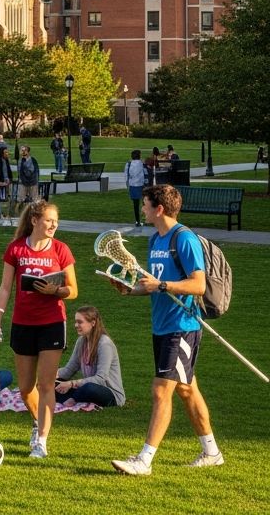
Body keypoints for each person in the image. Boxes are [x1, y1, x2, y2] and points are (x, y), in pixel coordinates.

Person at [110, 184, 223, 475]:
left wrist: (161, 285)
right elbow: (153, 285)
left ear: (159, 208)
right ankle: (211, 451)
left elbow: (198, 284)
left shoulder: (183, 239)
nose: (143, 209)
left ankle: (144, 461)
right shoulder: (154, 240)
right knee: (186, 389)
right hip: (161, 325)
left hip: (182, 326)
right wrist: (129, 290)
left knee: (161, 391)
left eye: (146, 204)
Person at [0, 199, 78, 460]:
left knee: (46, 384)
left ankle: (41, 441)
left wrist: (56, 290)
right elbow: (6, 287)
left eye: (56, 221)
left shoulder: (61, 250)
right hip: (23, 323)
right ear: (35, 221)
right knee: (27, 387)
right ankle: (37, 422)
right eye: (49, 220)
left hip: (52, 322)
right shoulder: (16, 249)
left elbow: (73, 291)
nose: (53, 225)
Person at [56, 306, 125, 408]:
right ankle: (75, 397)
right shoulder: (81, 341)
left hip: (109, 393)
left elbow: (101, 378)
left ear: (93, 323)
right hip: (85, 388)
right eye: (76, 322)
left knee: (89, 388)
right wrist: (50, 376)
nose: (76, 325)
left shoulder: (105, 344)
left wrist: (71, 384)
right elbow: (69, 369)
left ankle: (74, 398)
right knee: (52, 386)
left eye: (80, 322)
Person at [125, 149, 148, 226]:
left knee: (136, 204)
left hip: (132, 186)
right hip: (141, 185)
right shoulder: (142, 164)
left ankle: (137, 221)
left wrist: (127, 185)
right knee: (145, 203)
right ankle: (146, 218)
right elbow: (146, 174)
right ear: (139, 156)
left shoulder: (128, 164)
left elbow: (126, 176)